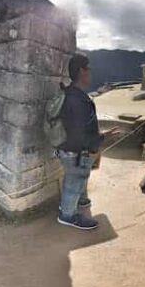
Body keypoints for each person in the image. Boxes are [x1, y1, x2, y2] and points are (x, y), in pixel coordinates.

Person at [56, 54, 105, 230]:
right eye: (88, 68)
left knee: (78, 178)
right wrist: (97, 142)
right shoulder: (78, 100)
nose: (90, 72)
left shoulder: (70, 94)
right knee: (74, 179)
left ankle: (80, 201)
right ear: (81, 71)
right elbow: (79, 133)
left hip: (69, 149)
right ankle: (67, 215)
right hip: (75, 151)